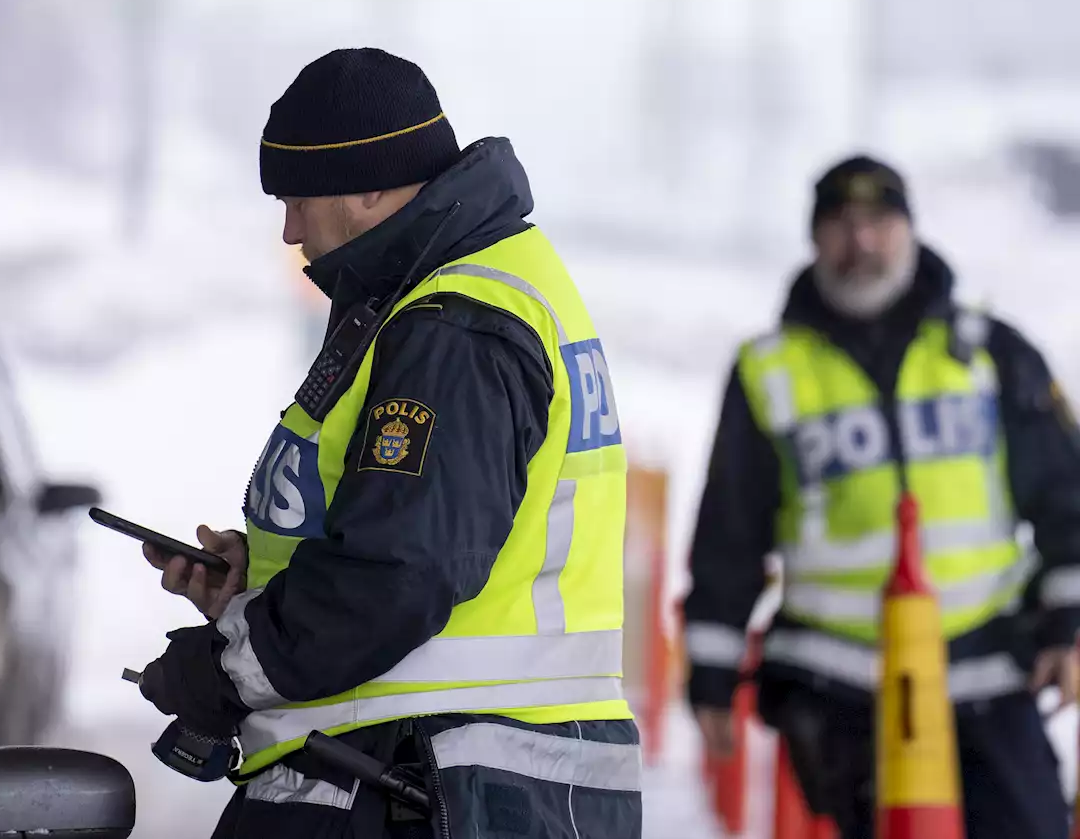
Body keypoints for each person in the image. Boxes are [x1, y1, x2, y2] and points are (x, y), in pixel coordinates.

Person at [134, 47, 642, 839]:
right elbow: (409, 526)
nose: (290, 228)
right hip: (462, 779)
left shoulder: (455, 324)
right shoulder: (463, 290)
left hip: (433, 782)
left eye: (300, 198)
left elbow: (402, 572)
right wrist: (263, 581)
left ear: (372, 186)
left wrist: (225, 669)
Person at [684, 154, 1080, 839]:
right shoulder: (768, 370)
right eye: (839, 224)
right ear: (813, 239)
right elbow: (730, 533)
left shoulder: (990, 351)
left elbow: (1065, 495)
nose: (860, 241)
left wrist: (1069, 619)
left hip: (987, 666)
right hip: (842, 682)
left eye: (878, 221)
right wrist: (713, 673)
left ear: (911, 229)